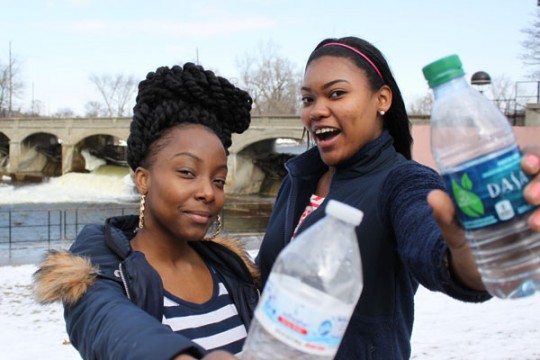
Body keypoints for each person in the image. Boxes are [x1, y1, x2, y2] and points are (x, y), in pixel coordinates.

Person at [256, 36, 540, 359]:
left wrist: (470, 258)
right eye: (308, 99)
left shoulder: (404, 182)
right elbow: (262, 282)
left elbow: (432, 244)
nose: (317, 110)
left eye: (336, 93)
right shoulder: (297, 180)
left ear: (382, 99)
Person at [33, 63, 259, 360]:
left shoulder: (234, 271)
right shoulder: (101, 275)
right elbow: (111, 325)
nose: (208, 192)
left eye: (218, 180)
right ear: (143, 179)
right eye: (187, 172)